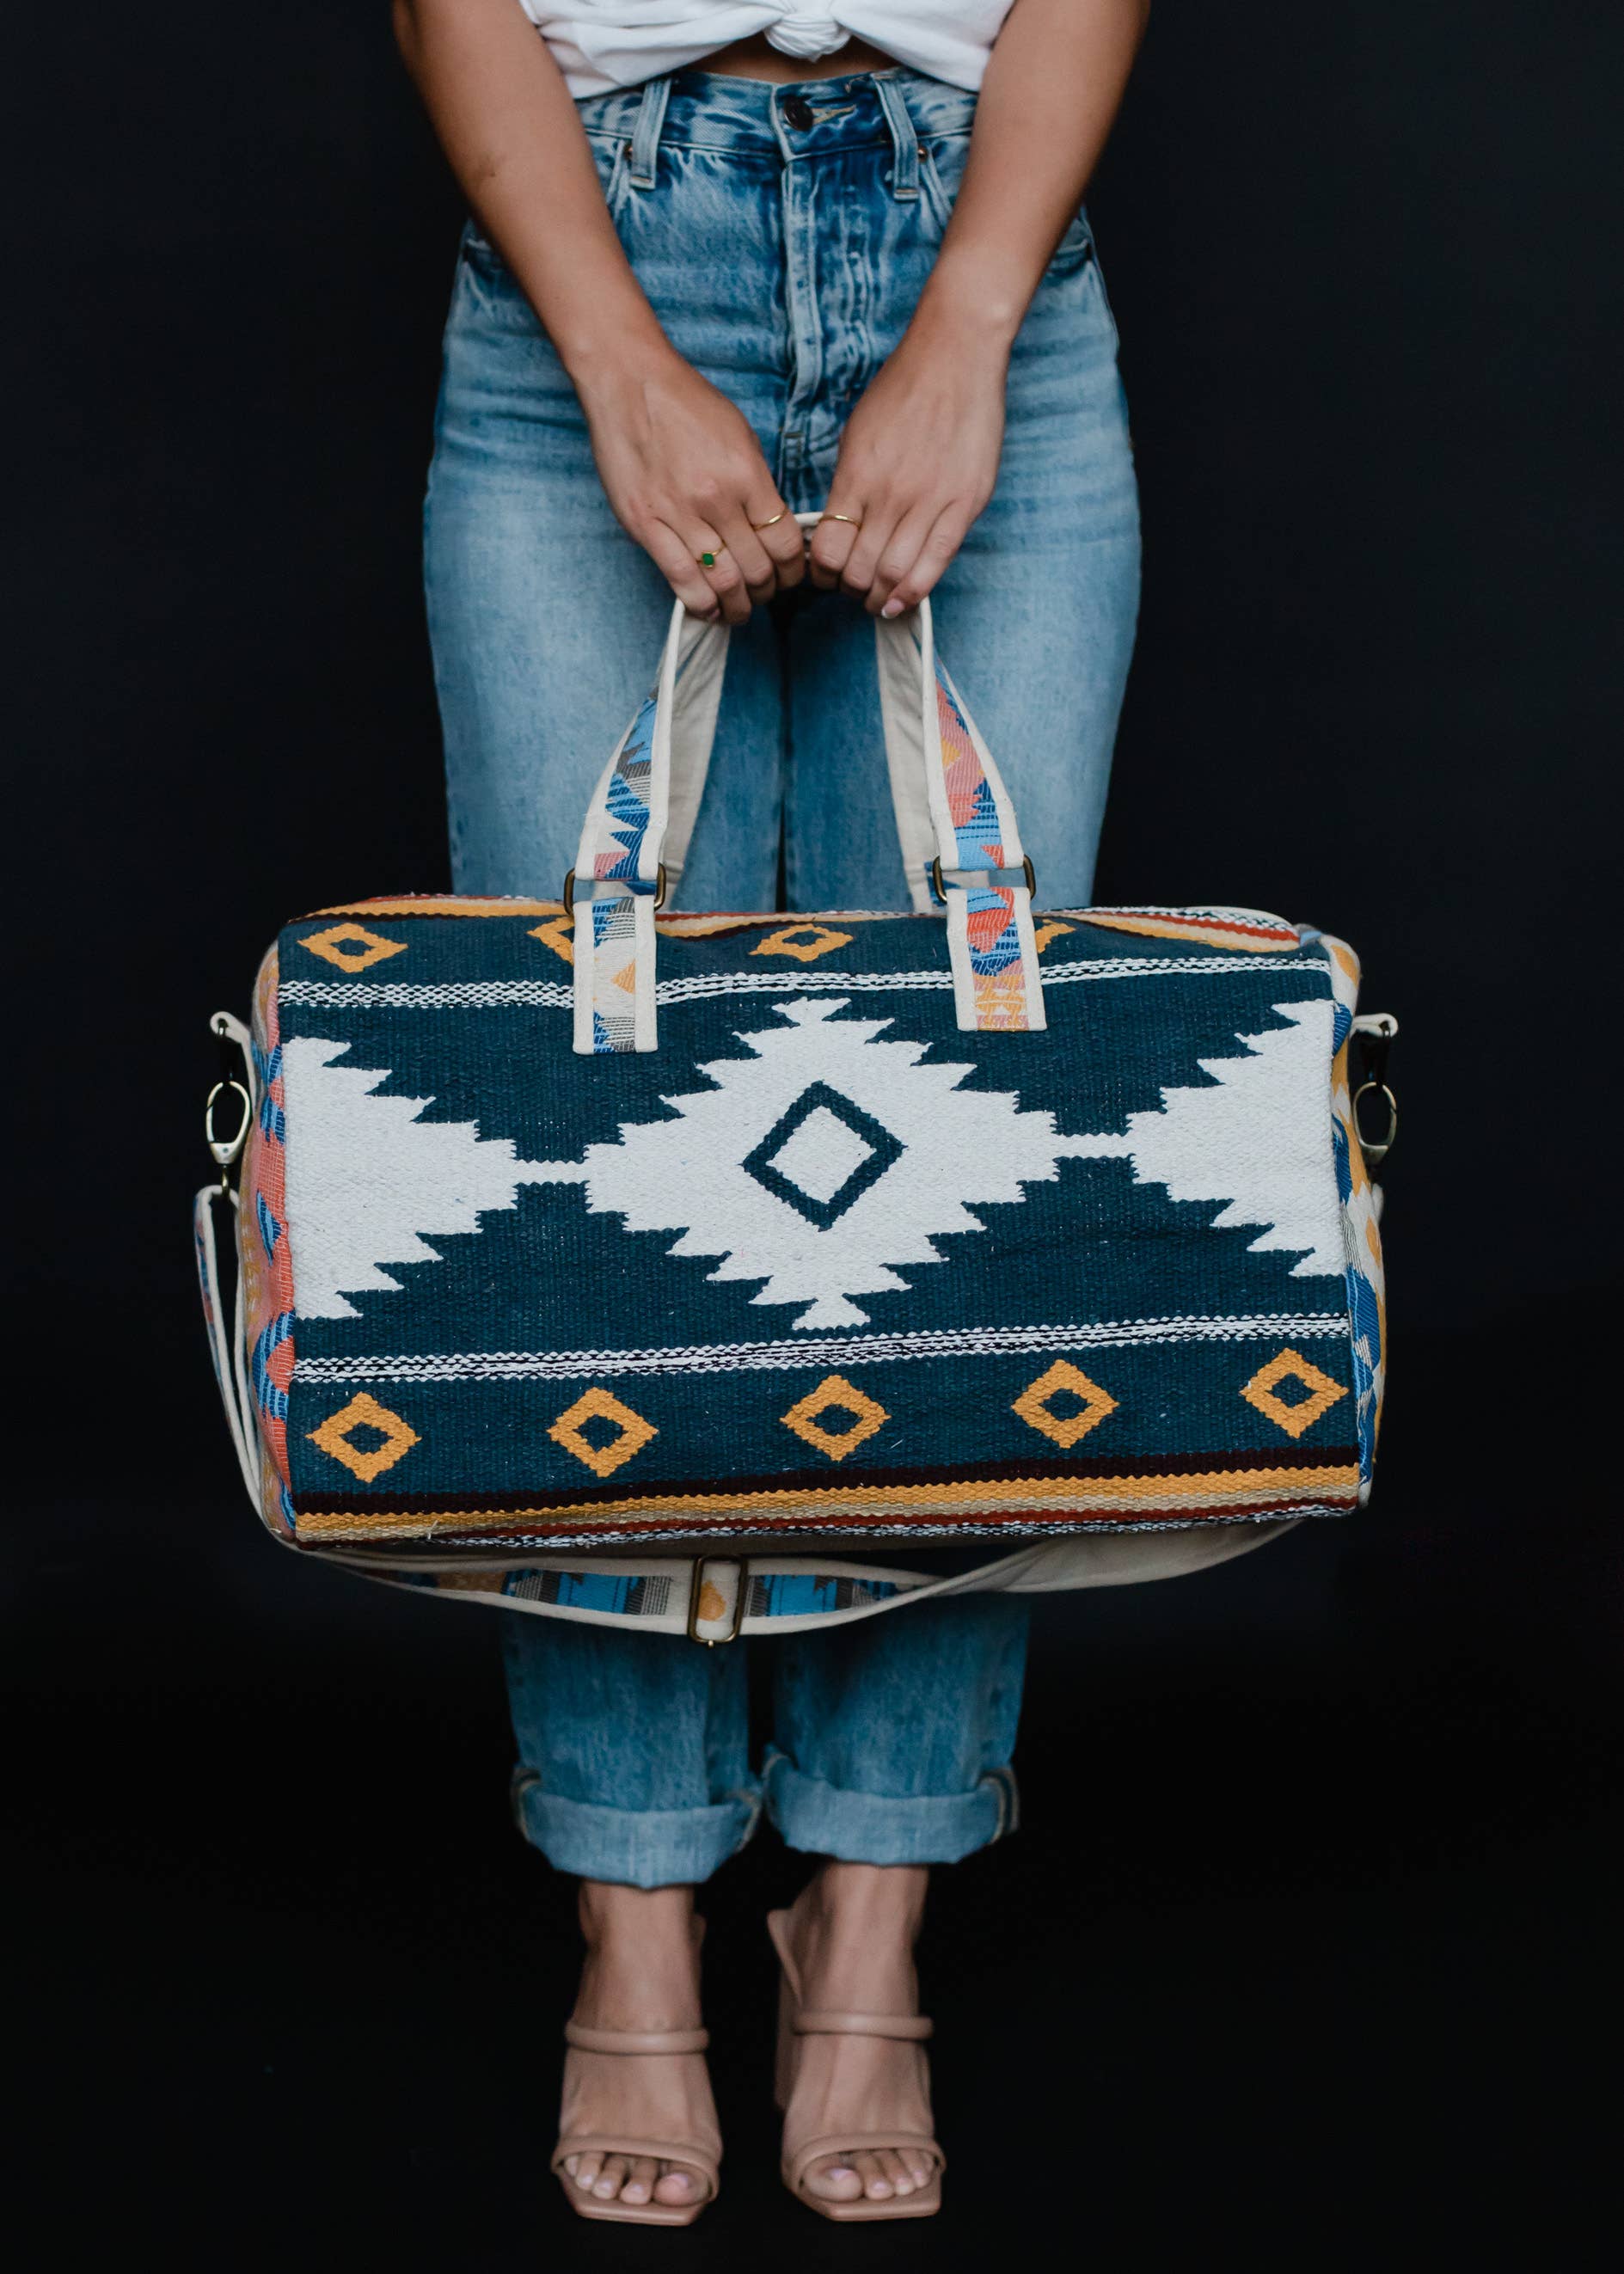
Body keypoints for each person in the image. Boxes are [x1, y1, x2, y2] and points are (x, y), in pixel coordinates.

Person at [395, 0, 1147, 2226]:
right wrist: (619, 356)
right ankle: (633, 1913)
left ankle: (874, 1909)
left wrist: (973, 318)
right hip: (587, 246)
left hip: (976, 213)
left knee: (964, 1170)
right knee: (585, 1173)